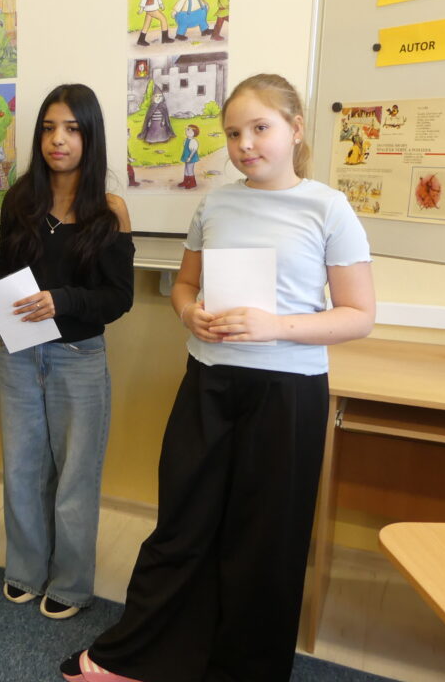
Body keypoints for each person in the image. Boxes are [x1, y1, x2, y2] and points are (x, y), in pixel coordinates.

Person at [60, 73, 375, 682]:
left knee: (265, 538)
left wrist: (275, 326)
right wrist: (189, 315)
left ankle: (243, 669)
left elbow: (359, 315)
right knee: (183, 523)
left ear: (295, 130)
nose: (245, 144)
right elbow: (183, 285)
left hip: (287, 393)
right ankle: (142, 654)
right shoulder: (216, 204)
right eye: (233, 133)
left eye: (260, 128)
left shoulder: (328, 207)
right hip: (208, 382)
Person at [0, 84, 134, 619]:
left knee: (74, 478)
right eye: (48, 129)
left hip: (78, 358)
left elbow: (119, 298)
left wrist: (61, 300)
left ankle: (71, 583)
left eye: (71, 129)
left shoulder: (109, 210)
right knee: (22, 470)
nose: (58, 140)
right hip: (20, 354)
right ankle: (25, 570)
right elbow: (5, 271)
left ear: (90, 136)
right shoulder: (22, 200)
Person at [179, 124, 200, 189]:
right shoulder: (186, 140)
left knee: (190, 170)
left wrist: (190, 157)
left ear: (194, 133)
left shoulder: (193, 141)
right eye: (187, 129)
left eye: (189, 130)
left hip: (191, 157)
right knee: (186, 169)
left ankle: (193, 183)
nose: (186, 131)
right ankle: (186, 181)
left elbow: (194, 150)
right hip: (186, 157)